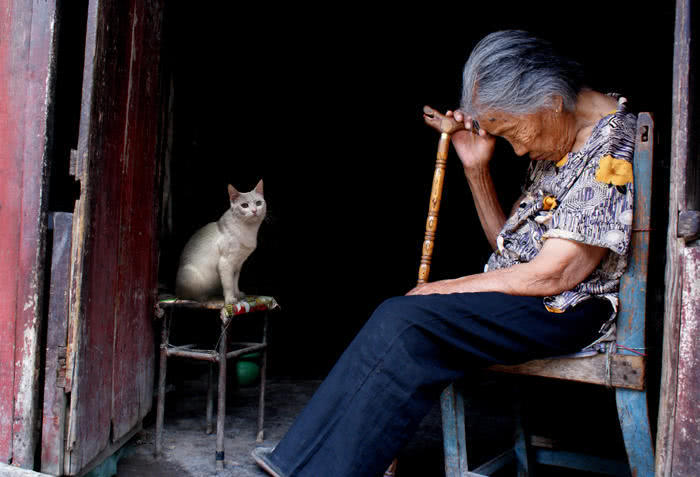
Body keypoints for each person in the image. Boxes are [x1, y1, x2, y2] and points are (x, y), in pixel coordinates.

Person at [253, 30, 637, 477]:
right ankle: (299, 464)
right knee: (399, 315)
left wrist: (444, 290)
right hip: (533, 296)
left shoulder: (612, 144)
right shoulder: (561, 132)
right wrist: (476, 170)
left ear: (549, 100)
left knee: (407, 320)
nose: (517, 149)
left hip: (566, 308)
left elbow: (554, 275)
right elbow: (510, 248)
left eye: (512, 133)